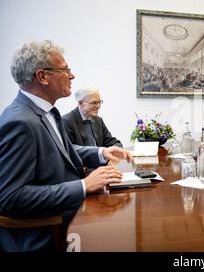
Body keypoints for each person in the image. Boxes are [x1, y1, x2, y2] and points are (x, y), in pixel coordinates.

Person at [0, 40, 133, 251]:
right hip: (48, 233)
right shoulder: (20, 122)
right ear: (42, 76)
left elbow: (60, 150)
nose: (72, 76)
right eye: (65, 70)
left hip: (72, 213)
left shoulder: (45, 111)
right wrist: (83, 185)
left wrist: (101, 152)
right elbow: (10, 198)